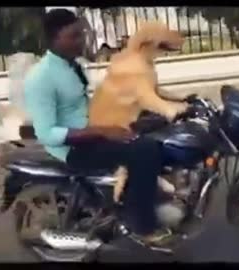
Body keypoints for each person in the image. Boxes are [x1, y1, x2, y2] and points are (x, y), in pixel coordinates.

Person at [23, 8, 173, 245]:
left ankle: (153, 192)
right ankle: (141, 223)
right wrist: (103, 131)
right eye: (73, 37)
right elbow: (47, 133)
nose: (81, 41)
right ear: (54, 40)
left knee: (158, 128)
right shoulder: (40, 78)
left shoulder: (72, 65)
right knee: (145, 150)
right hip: (73, 147)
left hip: (92, 130)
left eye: (81, 34)